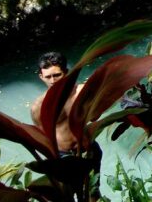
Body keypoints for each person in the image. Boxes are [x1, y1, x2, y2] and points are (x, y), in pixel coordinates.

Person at [31, 51, 101, 201]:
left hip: (87, 150)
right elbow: (43, 138)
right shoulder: (38, 106)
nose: (53, 81)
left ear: (67, 73)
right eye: (48, 77)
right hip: (63, 158)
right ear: (41, 77)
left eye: (57, 75)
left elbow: (96, 116)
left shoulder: (82, 91)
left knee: (93, 194)